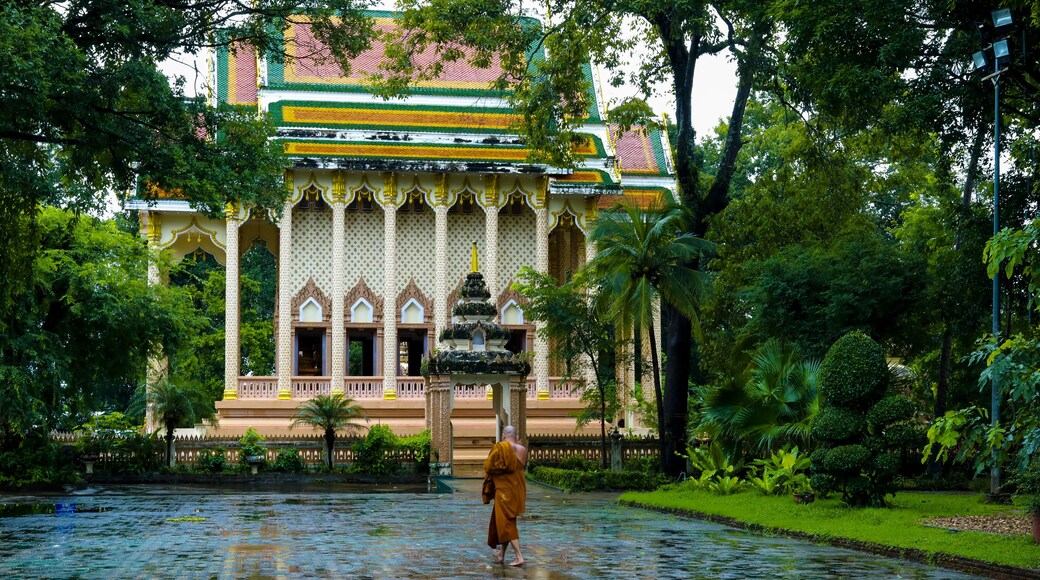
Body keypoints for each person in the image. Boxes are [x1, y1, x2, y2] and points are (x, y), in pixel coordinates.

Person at [482, 425, 527, 566]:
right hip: (517, 491)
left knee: (508, 524)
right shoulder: (523, 450)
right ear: (517, 437)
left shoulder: (500, 448)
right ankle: (501, 554)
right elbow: (518, 469)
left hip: (503, 492)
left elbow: (489, 467)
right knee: (503, 523)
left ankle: (519, 557)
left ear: (503, 436)